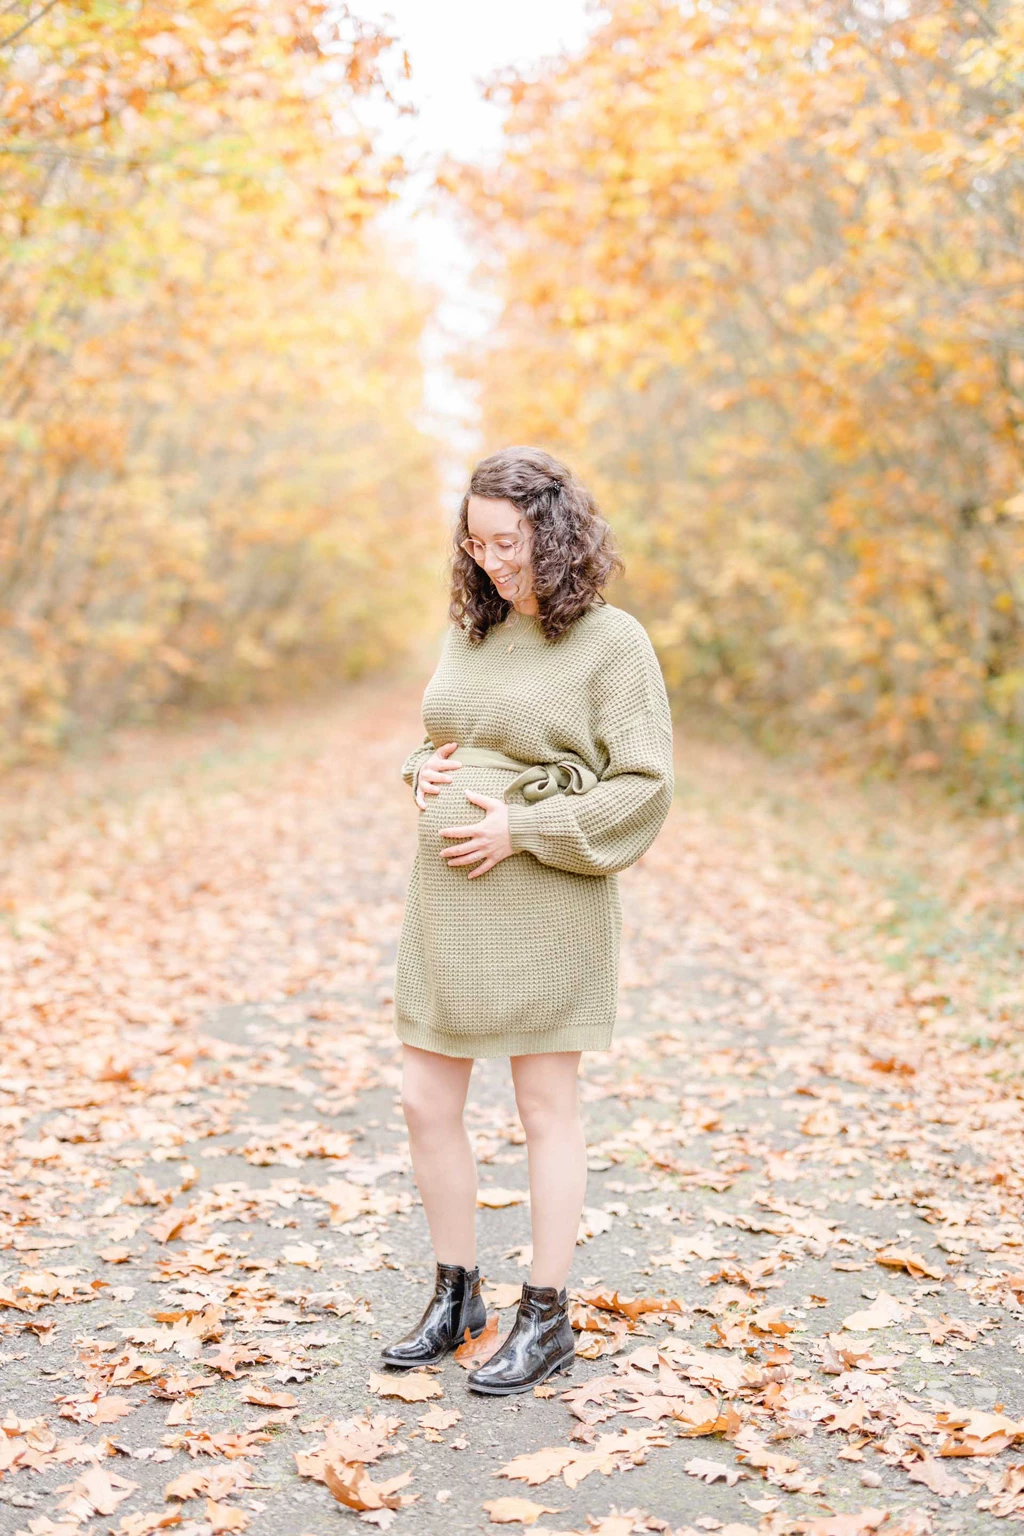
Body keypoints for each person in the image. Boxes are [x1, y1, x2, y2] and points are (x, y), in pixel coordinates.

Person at [382, 445, 674, 1394]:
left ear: (554, 531)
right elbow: (449, 736)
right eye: (476, 543)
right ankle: (456, 1294)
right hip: (448, 904)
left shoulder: (612, 643)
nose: (492, 560)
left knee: (544, 1107)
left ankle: (545, 1315)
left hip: (547, 895)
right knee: (424, 1100)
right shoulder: (473, 631)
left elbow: (644, 786)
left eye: (507, 542)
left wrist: (523, 829)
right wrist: (418, 772)